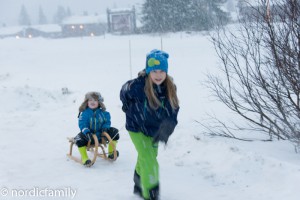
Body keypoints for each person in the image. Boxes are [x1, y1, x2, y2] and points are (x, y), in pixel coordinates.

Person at [120, 49, 180, 199]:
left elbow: (173, 111)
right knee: (149, 159)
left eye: (161, 71)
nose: (158, 75)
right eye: (154, 71)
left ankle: (138, 184)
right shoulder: (137, 86)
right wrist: (127, 107)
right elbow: (124, 92)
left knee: (147, 156)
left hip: (153, 129)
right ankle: (151, 192)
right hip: (136, 128)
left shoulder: (169, 88)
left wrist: (167, 127)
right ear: (148, 71)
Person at [74, 91, 119, 167]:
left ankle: (111, 153)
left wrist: (105, 128)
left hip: (101, 135)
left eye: (95, 100)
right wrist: (87, 132)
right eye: (90, 100)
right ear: (87, 102)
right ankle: (85, 158)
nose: (93, 102)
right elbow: (82, 124)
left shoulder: (104, 113)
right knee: (79, 139)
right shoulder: (84, 113)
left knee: (115, 132)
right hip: (89, 136)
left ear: (99, 102)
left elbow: (107, 122)